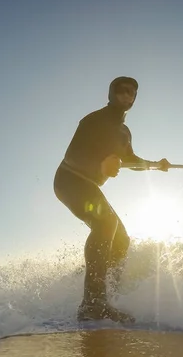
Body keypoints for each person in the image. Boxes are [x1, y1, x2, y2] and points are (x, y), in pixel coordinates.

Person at [54, 76, 170, 323]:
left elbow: (130, 160)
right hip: (69, 179)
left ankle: (108, 296)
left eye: (133, 93)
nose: (128, 96)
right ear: (111, 93)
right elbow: (72, 155)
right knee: (105, 224)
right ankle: (92, 303)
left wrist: (155, 165)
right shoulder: (93, 120)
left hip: (88, 186)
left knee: (121, 240)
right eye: (123, 91)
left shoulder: (124, 133)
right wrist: (100, 164)